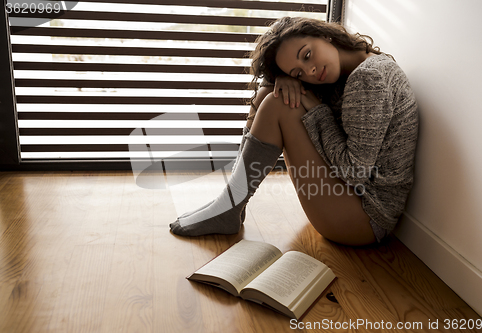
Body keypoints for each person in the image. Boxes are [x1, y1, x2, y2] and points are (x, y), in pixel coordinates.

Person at [170, 17, 418, 246]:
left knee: (278, 103)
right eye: (298, 71)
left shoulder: (367, 79)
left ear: (324, 35)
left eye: (307, 55)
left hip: (366, 218)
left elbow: (354, 172)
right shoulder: (350, 67)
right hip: (349, 199)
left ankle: (230, 204)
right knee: (271, 92)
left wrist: (317, 110)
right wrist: (283, 79)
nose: (309, 71)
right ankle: (231, 201)